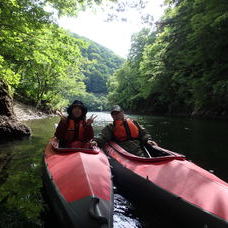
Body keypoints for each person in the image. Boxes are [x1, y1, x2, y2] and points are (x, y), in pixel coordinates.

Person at [91, 105, 157, 157]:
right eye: (113, 114)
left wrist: (148, 140)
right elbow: (102, 136)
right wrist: (96, 141)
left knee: (143, 155)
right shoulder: (111, 126)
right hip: (122, 148)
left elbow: (144, 133)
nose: (116, 115)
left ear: (122, 112)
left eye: (117, 113)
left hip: (137, 147)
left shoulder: (134, 122)